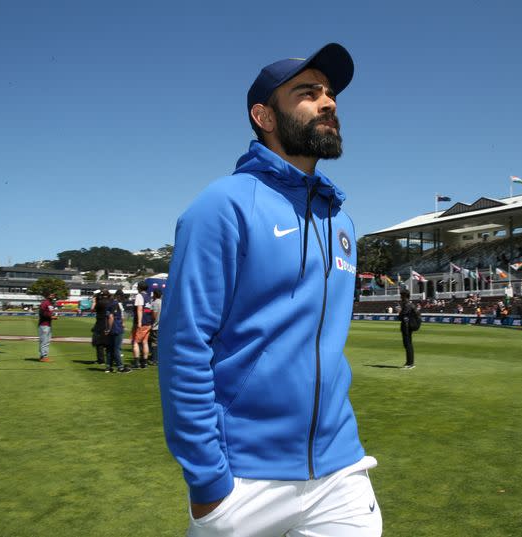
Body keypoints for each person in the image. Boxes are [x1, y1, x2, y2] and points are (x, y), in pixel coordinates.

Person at [158, 43, 381, 537]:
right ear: (264, 115)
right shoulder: (222, 206)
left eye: (330, 93)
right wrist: (208, 480)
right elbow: (183, 345)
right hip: (242, 478)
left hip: (340, 472)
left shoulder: (340, 220)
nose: (328, 103)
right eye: (308, 92)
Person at [104, 290, 131, 374]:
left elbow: (108, 316)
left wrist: (107, 328)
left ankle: (108, 367)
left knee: (109, 349)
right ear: (119, 296)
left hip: (112, 328)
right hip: (116, 328)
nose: (123, 298)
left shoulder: (109, 303)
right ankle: (120, 367)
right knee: (117, 349)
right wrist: (109, 328)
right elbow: (111, 317)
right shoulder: (115, 304)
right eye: (122, 297)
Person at [131, 281, 154, 369]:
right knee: (145, 342)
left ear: (139, 288)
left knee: (135, 342)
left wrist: (139, 322)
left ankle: (136, 363)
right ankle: (144, 363)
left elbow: (139, 309)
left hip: (142, 322)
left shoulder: (139, 296)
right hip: (148, 322)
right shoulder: (149, 297)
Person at [91, 289, 112, 365]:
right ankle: (111, 360)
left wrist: (94, 301)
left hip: (100, 323)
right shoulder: (111, 301)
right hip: (110, 323)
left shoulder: (100, 302)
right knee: (109, 343)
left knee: (99, 343)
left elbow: (92, 309)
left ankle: (101, 360)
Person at [398, 288, 416, 369]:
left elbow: (401, 316)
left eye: (401, 295)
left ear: (405, 296)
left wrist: (399, 312)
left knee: (408, 345)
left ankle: (410, 363)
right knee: (408, 345)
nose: (400, 297)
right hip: (407, 326)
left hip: (407, 327)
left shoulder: (407, 305)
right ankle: (409, 362)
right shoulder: (408, 304)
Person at [37, 292, 56, 362]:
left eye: (53, 295)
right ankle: (43, 356)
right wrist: (51, 316)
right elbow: (41, 312)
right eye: (51, 294)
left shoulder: (50, 303)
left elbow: (49, 312)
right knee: (44, 341)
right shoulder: (45, 302)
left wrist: (53, 316)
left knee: (47, 341)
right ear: (47, 295)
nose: (53, 295)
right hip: (43, 324)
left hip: (48, 324)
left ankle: (44, 356)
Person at [148, 288, 162, 365]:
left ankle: (154, 360)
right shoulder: (163, 302)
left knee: (154, 343)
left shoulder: (155, 303)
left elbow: (154, 315)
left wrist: (151, 322)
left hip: (155, 326)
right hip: (162, 326)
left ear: (155, 294)